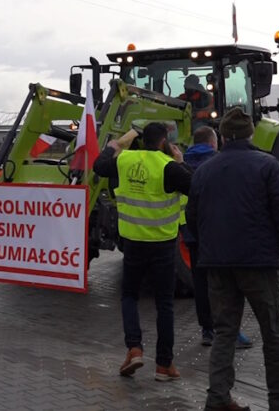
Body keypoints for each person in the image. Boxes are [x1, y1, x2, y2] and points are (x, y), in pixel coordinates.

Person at [186, 108, 279, 411]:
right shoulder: (267, 166)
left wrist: (211, 247)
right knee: (272, 330)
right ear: (250, 134)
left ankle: (218, 399)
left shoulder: (204, 170)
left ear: (222, 136)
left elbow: (192, 218)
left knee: (224, 332)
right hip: (257, 263)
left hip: (217, 265)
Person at [93, 122, 192, 382]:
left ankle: (134, 349)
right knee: (164, 304)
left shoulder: (125, 160)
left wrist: (112, 147)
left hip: (133, 242)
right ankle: (163, 365)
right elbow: (195, 186)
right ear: (165, 142)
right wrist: (180, 161)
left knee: (129, 296)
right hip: (163, 244)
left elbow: (99, 166)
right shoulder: (168, 167)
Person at [182, 125, 253, 350]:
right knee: (227, 286)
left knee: (201, 285)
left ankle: (207, 330)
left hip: (191, 233)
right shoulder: (219, 163)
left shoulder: (180, 162)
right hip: (217, 233)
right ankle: (230, 331)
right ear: (214, 143)